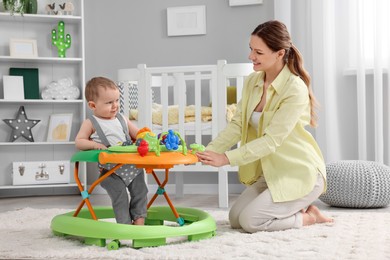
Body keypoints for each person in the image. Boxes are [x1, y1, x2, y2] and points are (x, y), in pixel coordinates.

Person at [196, 20, 333, 233]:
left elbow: (271, 141)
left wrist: (226, 159)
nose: (251, 56)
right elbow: (237, 124)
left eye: (258, 52)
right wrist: (209, 151)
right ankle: (295, 210)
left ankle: (308, 217)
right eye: (251, 49)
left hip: (299, 172)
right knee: (235, 219)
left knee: (252, 222)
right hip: (270, 173)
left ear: (279, 54)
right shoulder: (253, 82)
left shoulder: (294, 88)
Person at [75, 77, 148, 225]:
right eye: (109, 102)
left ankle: (139, 221)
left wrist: (148, 138)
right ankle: (125, 225)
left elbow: (139, 134)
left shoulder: (122, 119)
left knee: (141, 192)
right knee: (120, 197)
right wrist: (95, 145)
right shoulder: (91, 123)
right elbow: (79, 141)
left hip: (133, 167)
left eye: (116, 100)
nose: (115, 106)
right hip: (110, 172)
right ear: (92, 105)